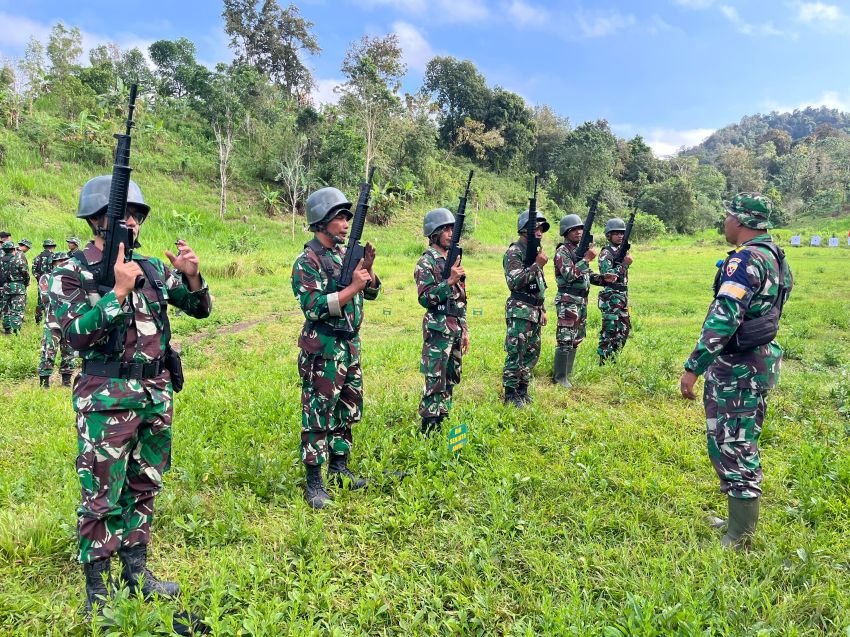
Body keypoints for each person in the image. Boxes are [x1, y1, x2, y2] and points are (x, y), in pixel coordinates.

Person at [48, 175, 212, 617]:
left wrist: (193, 277)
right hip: (105, 399)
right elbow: (74, 336)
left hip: (155, 394)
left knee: (143, 485)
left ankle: (136, 572)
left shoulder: (153, 269)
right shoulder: (70, 271)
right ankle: (97, 591)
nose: (133, 223)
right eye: (124, 215)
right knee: (101, 493)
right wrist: (117, 292)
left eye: (138, 216)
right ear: (97, 220)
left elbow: (199, 307)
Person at [680, 192, 792, 549]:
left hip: (738, 367)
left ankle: (739, 536)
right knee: (735, 438)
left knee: (736, 443)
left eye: (728, 216)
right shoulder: (776, 256)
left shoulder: (744, 260)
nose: (724, 221)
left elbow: (725, 317)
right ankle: (735, 521)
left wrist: (694, 366)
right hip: (758, 361)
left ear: (740, 221)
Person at [291, 186, 380, 509]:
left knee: (347, 408)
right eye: (339, 218)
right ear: (322, 221)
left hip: (349, 347)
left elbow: (370, 293)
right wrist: (353, 286)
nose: (345, 223)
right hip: (324, 348)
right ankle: (315, 482)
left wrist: (368, 271)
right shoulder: (307, 260)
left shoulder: (345, 255)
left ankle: (340, 469)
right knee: (318, 413)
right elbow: (313, 306)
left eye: (347, 218)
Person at [414, 208, 469, 435]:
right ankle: (429, 425)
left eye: (451, 228)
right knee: (435, 377)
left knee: (451, 375)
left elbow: (462, 298)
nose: (450, 232)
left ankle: (443, 416)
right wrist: (449, 281)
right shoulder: (425, 262)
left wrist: (464, 328)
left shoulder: (453, 260)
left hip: (455, 326)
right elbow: (425, 298)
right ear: (434, 233)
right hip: (438, 327)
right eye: (445, 229)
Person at [552, 214, 614, 387]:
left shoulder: (578, 250)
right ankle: (560, 377)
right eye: (574, 229)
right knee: (565, 338)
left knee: (576, 338)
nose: (579, 232)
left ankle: (567, 375)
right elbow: (570, 274)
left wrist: (603, 279)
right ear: (566, 232)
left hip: (581, 300)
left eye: (580, 229)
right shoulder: (562, 252)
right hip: (567, 300)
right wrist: (586, 259)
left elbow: (586, 275)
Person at [503, 209, 549, 406]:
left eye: (541, 228)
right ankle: (510, 394)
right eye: (535, 227)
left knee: (531, 353)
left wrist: (543, 309)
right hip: (520, 309)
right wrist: (536, 265)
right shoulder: (514, 252)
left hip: (534, 310)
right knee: (517, 352)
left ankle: (523, 390)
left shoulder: (535, 252)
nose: (539, 231)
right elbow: (514, 281)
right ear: (523, 230)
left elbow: (538, 285)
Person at [596, 218, 633, 364]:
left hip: (622, 296)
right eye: (615, 233)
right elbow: (609, 276)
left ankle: (614, 358)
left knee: (624, 329)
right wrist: (624, 264)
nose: (620, 236)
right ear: (609, 235)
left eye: (622, 233)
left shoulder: (622, 251)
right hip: (611, 296)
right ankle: (603, 361)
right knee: (610, 330)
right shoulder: (606, 253)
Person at [38, 251, 76, 388]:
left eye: (65, 260)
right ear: (54, 264)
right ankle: (44, 382)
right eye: (60, 261)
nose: (63, 263)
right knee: (48, 351)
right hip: (52, 322)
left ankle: (66, 381)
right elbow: (45, 297)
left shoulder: (74, 278)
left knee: (69, 353)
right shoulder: (46, 278)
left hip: (70, 321)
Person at [1, 239, 30, 334]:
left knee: (6, 308)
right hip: (18, 286)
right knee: (17, 309)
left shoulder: (1, 261)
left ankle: (7, 329)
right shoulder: (17, 259)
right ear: (13, 249)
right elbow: (25, 272)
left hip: (6, 287)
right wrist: (26, 282)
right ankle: (16, 330)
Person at [33, 238, 57, 324]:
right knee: (53, 300)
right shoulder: (55, 257)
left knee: (40, 300)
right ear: (52, 247)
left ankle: (38, 319)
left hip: (41, 282)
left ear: (44, 247)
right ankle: (51, 318)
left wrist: (39, 279)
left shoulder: (38, 257)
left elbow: (34, 270)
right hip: (53, 282)